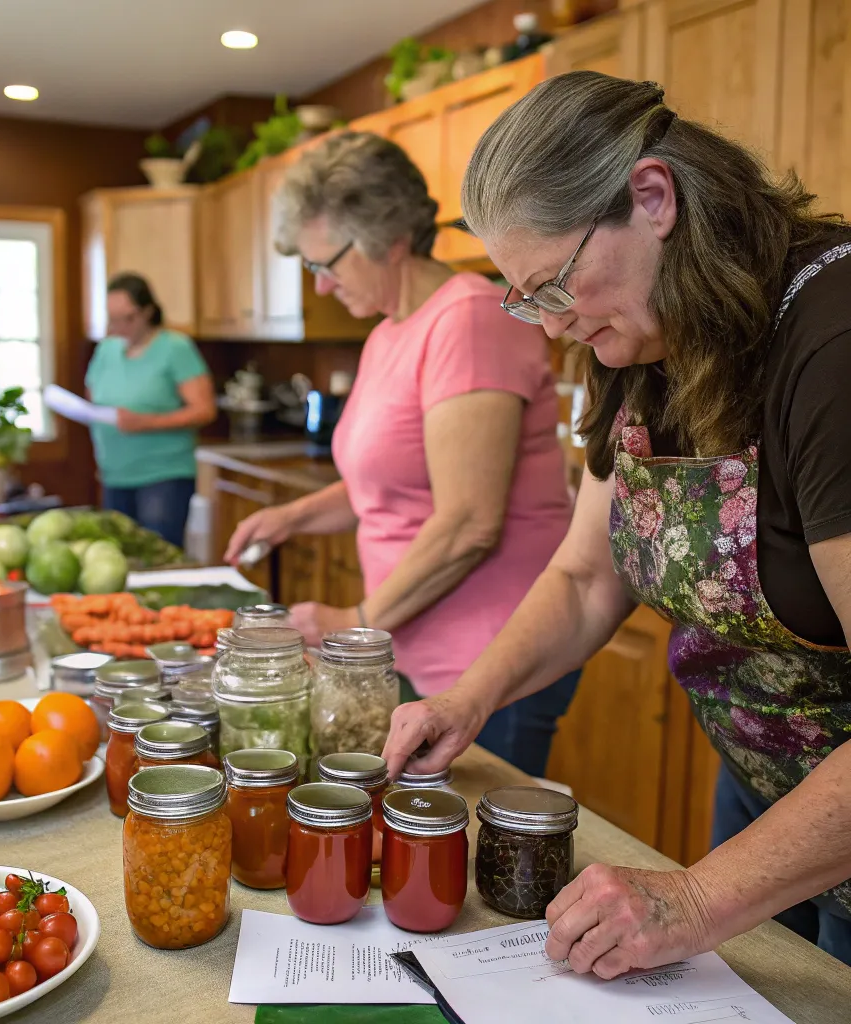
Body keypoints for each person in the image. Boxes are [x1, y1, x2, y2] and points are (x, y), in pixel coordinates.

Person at [383, 70, 851, 971]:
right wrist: (467, 697)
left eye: (554, 284)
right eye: (525, 300)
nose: (553, 327)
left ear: (651, 197)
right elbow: (586, 575)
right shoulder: (640, 337)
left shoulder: (832, 344)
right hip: (763, 797)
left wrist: (696, 897)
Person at [223, 131, 580, 778]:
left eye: (325, 264)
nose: (323, 287)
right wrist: (294, 517)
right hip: (415, 647)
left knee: (465, 851)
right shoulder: (390, 332)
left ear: (387, 238)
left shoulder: (469, 319)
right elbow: (387, 483)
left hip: (484, 659)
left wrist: (355, 622)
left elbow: (470, 521)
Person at [85, 273, 216, 546]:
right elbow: (93, 400)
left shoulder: (175, 348)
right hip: (115, 474)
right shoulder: (106, 351)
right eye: (113, 319)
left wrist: (145, 422)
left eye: (128, 318)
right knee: (117, 556)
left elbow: (204, 410)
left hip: (162, 477)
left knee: (156, 556)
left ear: (148, 312)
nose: (119, 326)